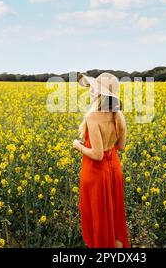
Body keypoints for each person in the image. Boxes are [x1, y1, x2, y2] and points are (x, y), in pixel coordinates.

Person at [73, 72, 130, 248]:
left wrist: (78, 146)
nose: (91, 91)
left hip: (96, 173)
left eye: (94, 89)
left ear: (100, 94)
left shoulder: (93, 117)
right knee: (113, 217)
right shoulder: (119, 115)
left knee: (98, 218)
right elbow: (119, 147)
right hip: (114, 170)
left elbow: (97, 155)